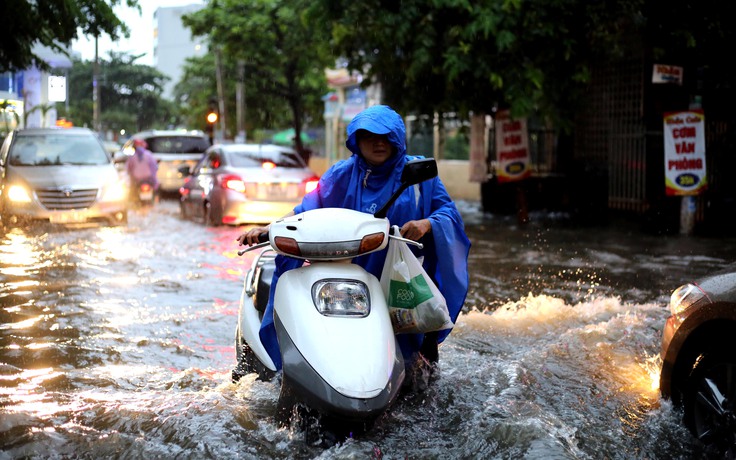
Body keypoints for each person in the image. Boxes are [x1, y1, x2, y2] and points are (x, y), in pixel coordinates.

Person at [237, 105, 470, 384]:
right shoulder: (342, 174)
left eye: (386, 136)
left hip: (401, 282)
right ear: (356, 142)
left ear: (398, 139)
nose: (378, 142)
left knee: (421, 377)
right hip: (346, 282)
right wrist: (270, 228)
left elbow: (448, 214)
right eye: (368, 136)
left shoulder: (418, 175)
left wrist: (427, 224)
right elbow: (307, 209)